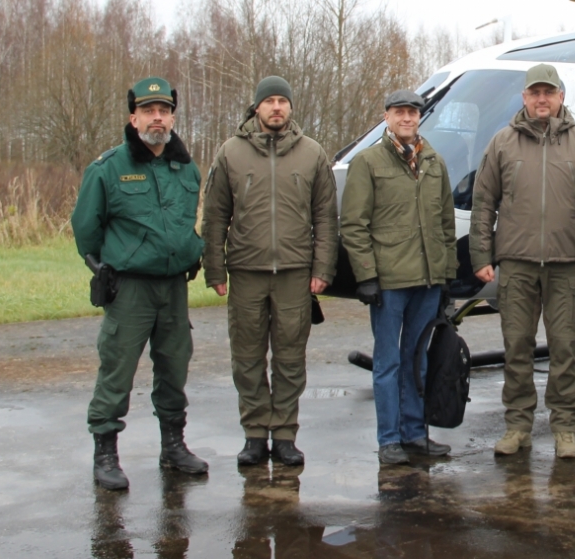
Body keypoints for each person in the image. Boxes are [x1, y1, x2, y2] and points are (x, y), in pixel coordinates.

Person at [72, 77, 209, 491]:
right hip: (129, 287)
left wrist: (189, 250)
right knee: (118, 367)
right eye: (148, 110)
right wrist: (104, 267)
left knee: (174, 366)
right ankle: (106, 453)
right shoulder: (109, 168)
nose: (157, 118)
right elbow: (85, 228)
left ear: (172, 117)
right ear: (133, 117)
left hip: (173, 288)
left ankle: (173, 446)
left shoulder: (185, 166)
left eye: (164, 110)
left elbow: (187, 219)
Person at [469, 63, 575, 460]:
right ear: (525, 98)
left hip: (567, 264)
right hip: (516, 263)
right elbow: (483, 203)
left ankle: (565, 428)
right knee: (517, 347)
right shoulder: (502, 143)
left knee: (565, 349)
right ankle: (517, 426)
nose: (542, 99)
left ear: (561, 97)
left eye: (549, 92)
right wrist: (482, 256)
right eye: (535, 93)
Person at [202, 76, 338, 469]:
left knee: (290, 357)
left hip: (296, 272)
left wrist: (322, 267)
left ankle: (285, 435)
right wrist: (215, 268)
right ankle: (254, 433)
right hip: (246, 270)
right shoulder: (231, 152)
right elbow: (214, 216)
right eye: (269, 102)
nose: (276, 107)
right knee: (246, 356)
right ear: (257, 107)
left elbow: (326, 218)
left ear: (291, 108)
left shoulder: (311, 153)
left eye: (283, 101)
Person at [339, 88, 458, 467]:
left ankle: (414, 433)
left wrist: (446, 276)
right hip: (388, 283)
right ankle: (389, 439)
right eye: (400, 112)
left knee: (417, 359)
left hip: (427, 281)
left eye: (413, 112)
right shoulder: (368, 162)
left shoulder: (434, 162)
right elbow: (354, 225)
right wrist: (367, 276)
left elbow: (445, 223)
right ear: (387, 116)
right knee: (388, 362)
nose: (407, 118)